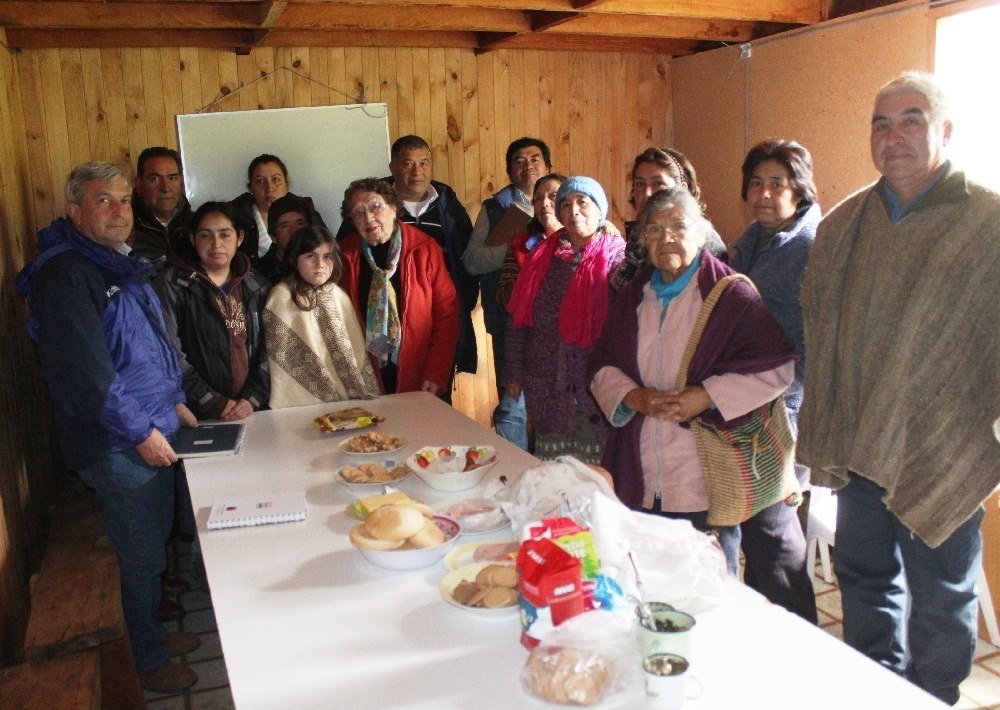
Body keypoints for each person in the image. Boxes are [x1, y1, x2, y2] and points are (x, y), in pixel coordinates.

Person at [798, 71, 1000, 705]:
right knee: (863, 578)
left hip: (946, 447)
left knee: (943, 595)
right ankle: (876, 689)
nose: (894, 136)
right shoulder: (843, 223)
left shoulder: (986, 224)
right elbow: (818, 326)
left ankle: (934, 697)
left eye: (912, 120)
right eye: (880, 124)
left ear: (945, 130)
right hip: (859, 440)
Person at [15, 162, 201, 693]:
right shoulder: (66, 275)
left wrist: (177, 404)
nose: (119, 210)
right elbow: (90, 379)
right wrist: (142, 434)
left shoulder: (116, 262)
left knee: (152, 544)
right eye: (103, 201)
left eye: (123, 199)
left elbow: (146, 351)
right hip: (119, 442)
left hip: (154, 426)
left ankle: (153, 640)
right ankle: (145, 662)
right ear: (74, 211)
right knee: (139, 557)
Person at [588, 187, 796, 578]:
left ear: (701, 234)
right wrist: (633, 396)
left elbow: (777, 368)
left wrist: (707, 396)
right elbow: (601, 364)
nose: (666, 237)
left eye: (678, 226)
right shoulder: (634, 295)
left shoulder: (731, 296)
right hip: (641, 470)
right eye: (654, 229)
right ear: (642, 241)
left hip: (706, 473)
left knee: (708, 582)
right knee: (646, 576)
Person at [729, 139, 821, 623]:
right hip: (746, 404)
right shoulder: (753, 240)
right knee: (757, 534)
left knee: (774, 532)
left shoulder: (810, 245)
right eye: (756, 183)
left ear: (799, 188)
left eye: (777, 183)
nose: (764, 193)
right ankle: (765, 632)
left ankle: (802, 638)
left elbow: (814, 340)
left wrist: (781, 398)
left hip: (784, 411)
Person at [503, 176, 625, 464]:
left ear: (599, 210)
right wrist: (513, 371)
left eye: (583, 202)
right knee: (554, 476)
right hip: (547, 385)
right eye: (566, 205)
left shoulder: (620, 257)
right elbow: (518, 319)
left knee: (598, 478)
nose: (574, 211)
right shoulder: (541, 259)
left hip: (597, 384)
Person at [462, 137, 552, 450]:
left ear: (548, 166)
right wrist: (514, 246)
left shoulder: (569, 204)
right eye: (519, 160)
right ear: (510, 171)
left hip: (556, 329)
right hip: (508, 322)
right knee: (513, 403)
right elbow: (472, 262)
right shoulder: (496, 209)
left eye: (535, 158)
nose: (528, 165)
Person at [339, 178, 459, 396]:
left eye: (376, 206)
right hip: (366, 376)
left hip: (420, 371)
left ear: (394, 207)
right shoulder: (344, 255)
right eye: (358, 212)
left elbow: (447, 315)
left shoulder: (424, 248)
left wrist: (436, 371)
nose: (368, 217)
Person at [156, 201, 270, 421]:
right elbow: (169, 351)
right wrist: (211, 401)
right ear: (193, 239)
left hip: (250, 412)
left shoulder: (257, 286)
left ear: (240, 238)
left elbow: (270, 350)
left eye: (225, 235)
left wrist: (252, 398)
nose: (216, 244)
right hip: (195, 414)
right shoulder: (173, 284)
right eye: (205, 235)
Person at [384, 135, 479, 386]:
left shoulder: (448, 205)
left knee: (438, 393)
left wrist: (463, 302)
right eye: (408, 164)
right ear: (393, 167)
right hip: (390, 320)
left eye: (424, 163)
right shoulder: (376, 206)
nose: (418, 172)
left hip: (442, 316)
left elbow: (466, 259)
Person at [264, 225, 380, 407]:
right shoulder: (282, 296)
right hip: (303, 403)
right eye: (310, 256)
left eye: (327, 257)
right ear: (295, 259)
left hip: (350, 400)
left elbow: (355, 349)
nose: (320, 265)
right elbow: (284, 357)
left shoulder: (338, 294)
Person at [611, 147, 727, 291]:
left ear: (683, 189)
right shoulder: (636, 241)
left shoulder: (703, 240)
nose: (647, 193)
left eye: (657, 183)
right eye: (640, 184)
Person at [228, 153, 325, 267]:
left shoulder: (304, 210)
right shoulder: (235, 214)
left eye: (276, 179)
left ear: (287, 185)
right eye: (260, 181)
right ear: (250, 188)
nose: (269, 188)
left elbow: (326, 249)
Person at [495, 173, 567, 311]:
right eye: (538, 198)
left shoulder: (581, 241)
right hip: (534, 328)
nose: (544, 203)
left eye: (553, 195)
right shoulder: (519, 244)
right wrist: (532, 265)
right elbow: (503, 300)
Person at [130, 146, 194, 269]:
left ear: (181, 183)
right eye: (155, 179)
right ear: (138, 184)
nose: (165, 188)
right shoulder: (124, 230)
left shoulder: (198, 226)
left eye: (172, 178)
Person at [256, 193, 314, 284]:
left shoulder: (323, 265)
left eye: (300, 224)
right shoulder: (258, 275)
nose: (294, 231)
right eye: (285, 226)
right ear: (273, 236)